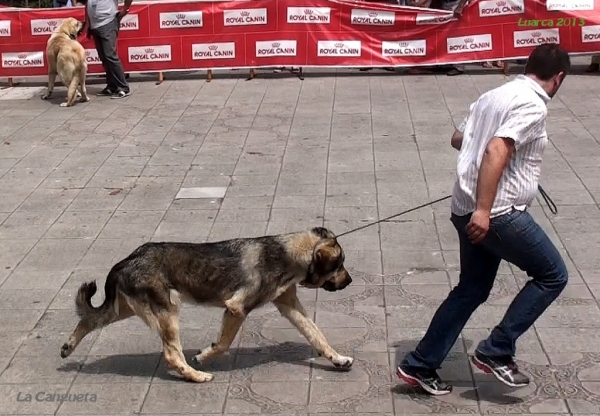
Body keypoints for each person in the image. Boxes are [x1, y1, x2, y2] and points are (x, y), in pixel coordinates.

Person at [396, 43, 571, 396]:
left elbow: (460, 137)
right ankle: (497, 350)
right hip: (497, 214)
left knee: (472, 289)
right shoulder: (534, 105)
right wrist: (485, 209)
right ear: (560, 78)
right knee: (553, 275)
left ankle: (419, 364)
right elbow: (494, 149)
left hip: (464, 207)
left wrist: (507, 162)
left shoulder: (493, 94)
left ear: (527, 66)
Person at [81, 0, 131, 98]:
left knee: (110, 55)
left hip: (108, 22)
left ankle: (123, 87)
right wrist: (88, 23)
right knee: (104, 57)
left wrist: (125, 8)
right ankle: (112, 86)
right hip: (95, 25)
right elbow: (88, 4)